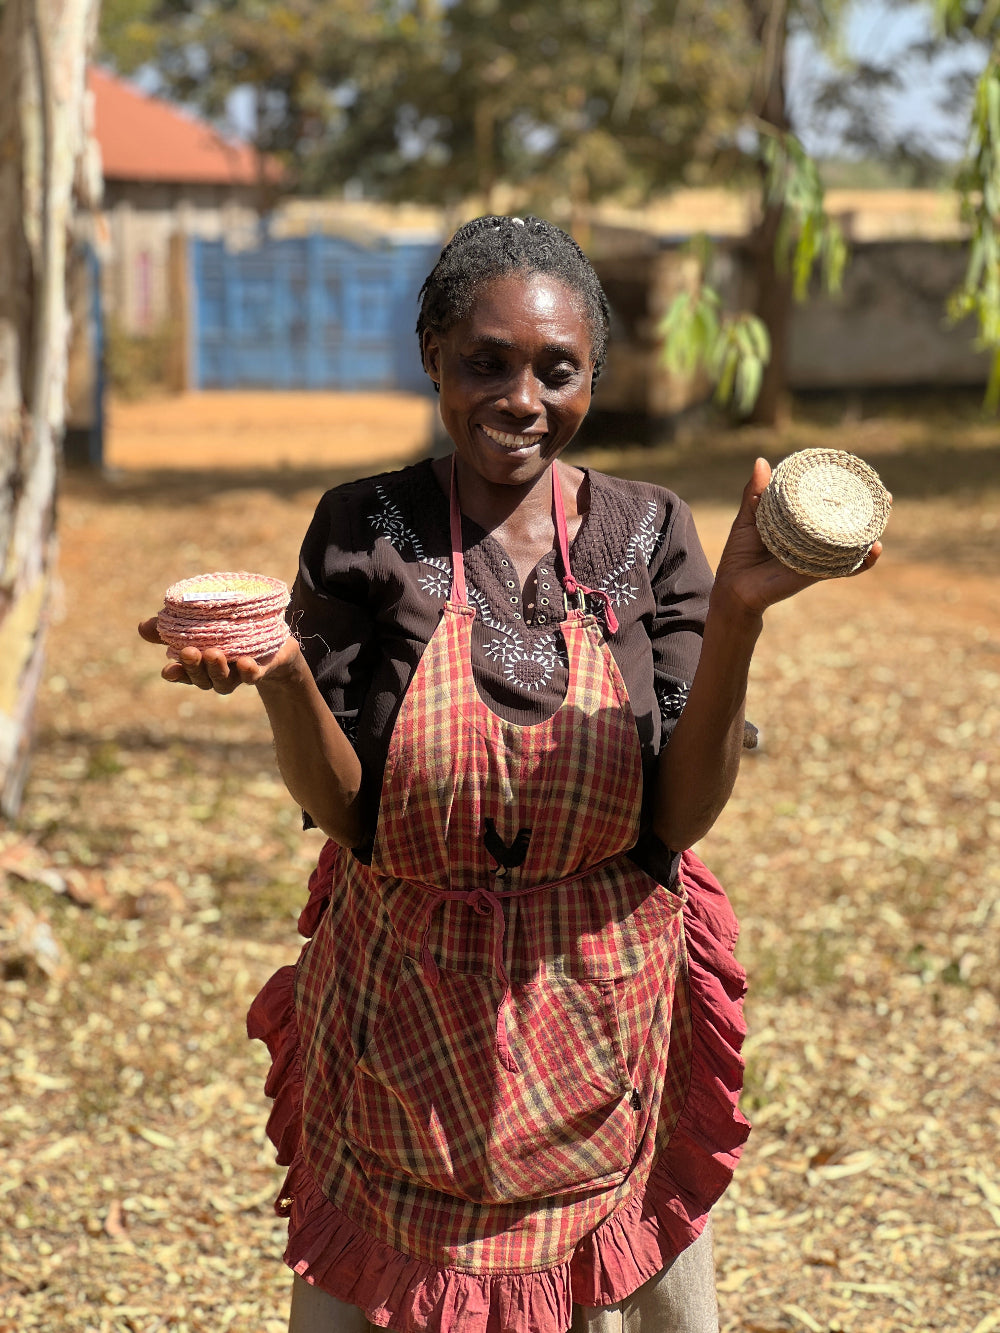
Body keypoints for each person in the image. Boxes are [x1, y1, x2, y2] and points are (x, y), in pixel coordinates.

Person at [140, 215, 881, 1333]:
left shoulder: (650, 533)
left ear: (593, 376)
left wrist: (733, 614)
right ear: (433, 357)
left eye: (557, 369)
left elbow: (675, 817)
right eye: (485, 361)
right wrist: (285, 675)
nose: (521, 398)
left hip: (604, 1008)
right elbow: (349, 817)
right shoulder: (364, 527)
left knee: (612, 1293)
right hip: (400, 1006)